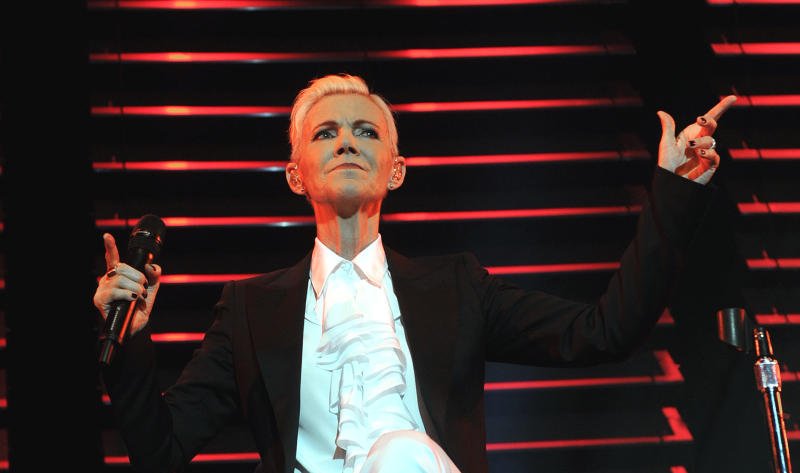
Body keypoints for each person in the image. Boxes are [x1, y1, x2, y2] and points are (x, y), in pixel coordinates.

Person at [93, 73, 737, 473]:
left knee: (401, 453)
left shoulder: (456, 289)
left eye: (366, 132)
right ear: (295, 176)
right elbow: (161, 453)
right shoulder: (250, 309)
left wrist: (673, 195)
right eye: (325, 134)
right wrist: (128, 342)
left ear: (396, 171)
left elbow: (604, 330)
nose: (347, 142)